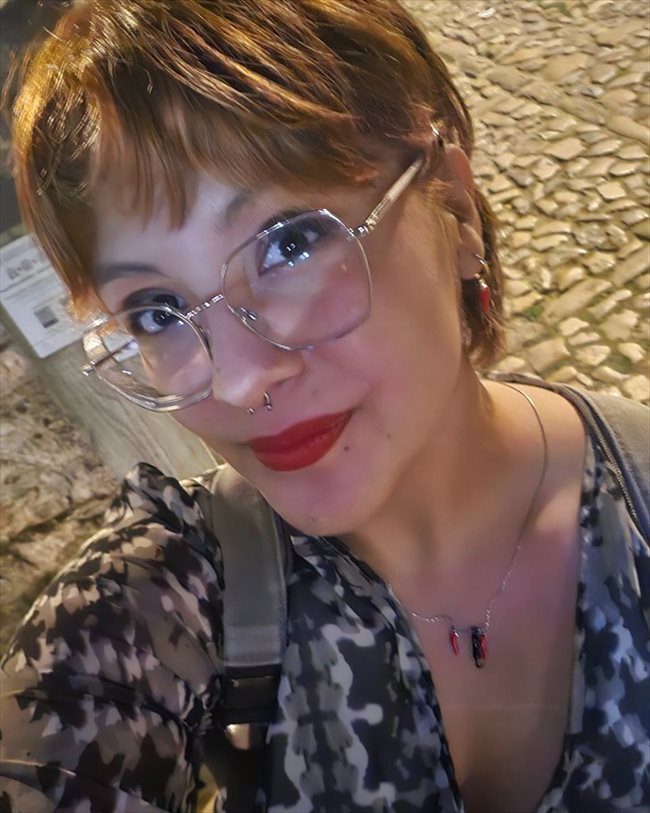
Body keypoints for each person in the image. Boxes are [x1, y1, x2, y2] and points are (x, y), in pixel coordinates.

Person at [1, 1, 648, 811]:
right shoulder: (167, 598)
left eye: (290, 243)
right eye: (158, 310)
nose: (239, 383)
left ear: (453, 205)